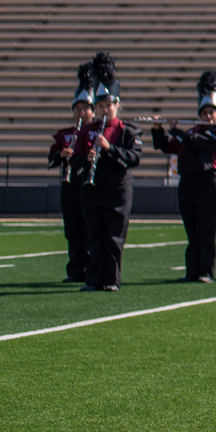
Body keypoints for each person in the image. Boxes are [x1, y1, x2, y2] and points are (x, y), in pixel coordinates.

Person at [152, 71, 216, 283]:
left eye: (212, 112)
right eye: (204, 113)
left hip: (210, 183)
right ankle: (192, 271)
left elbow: (199, 142)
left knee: (207, 231)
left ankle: (206, 271)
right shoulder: (191, 132)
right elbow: (168, 146)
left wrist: (177, 130)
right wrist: (158, 130)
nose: (208, 116)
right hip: (188, 183)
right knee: (192, 231)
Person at [79, 51, 142, 292]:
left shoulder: (127, 131)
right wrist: (87, 159)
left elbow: (134, 158)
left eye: (109, 105)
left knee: (114, 236)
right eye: (101, 106)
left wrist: (110, 149)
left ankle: (111, 280)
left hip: (117, 191)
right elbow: (74, 162)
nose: (105, 110)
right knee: (95, 236)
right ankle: (93, 279)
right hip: (93, 190)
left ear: (117, 105)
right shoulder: (87, 131)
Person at [48, 62, 96, 283]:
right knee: (72, 228)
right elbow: (51, 159)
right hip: (69, 186)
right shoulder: (64, 134)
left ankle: (91, 268)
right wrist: (61, 156)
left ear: (92, 111)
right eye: (77, 108)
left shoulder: (97, 132)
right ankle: (75, 269)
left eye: (85, 108)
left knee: (89, 228)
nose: (81, 112)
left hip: (89, 183)